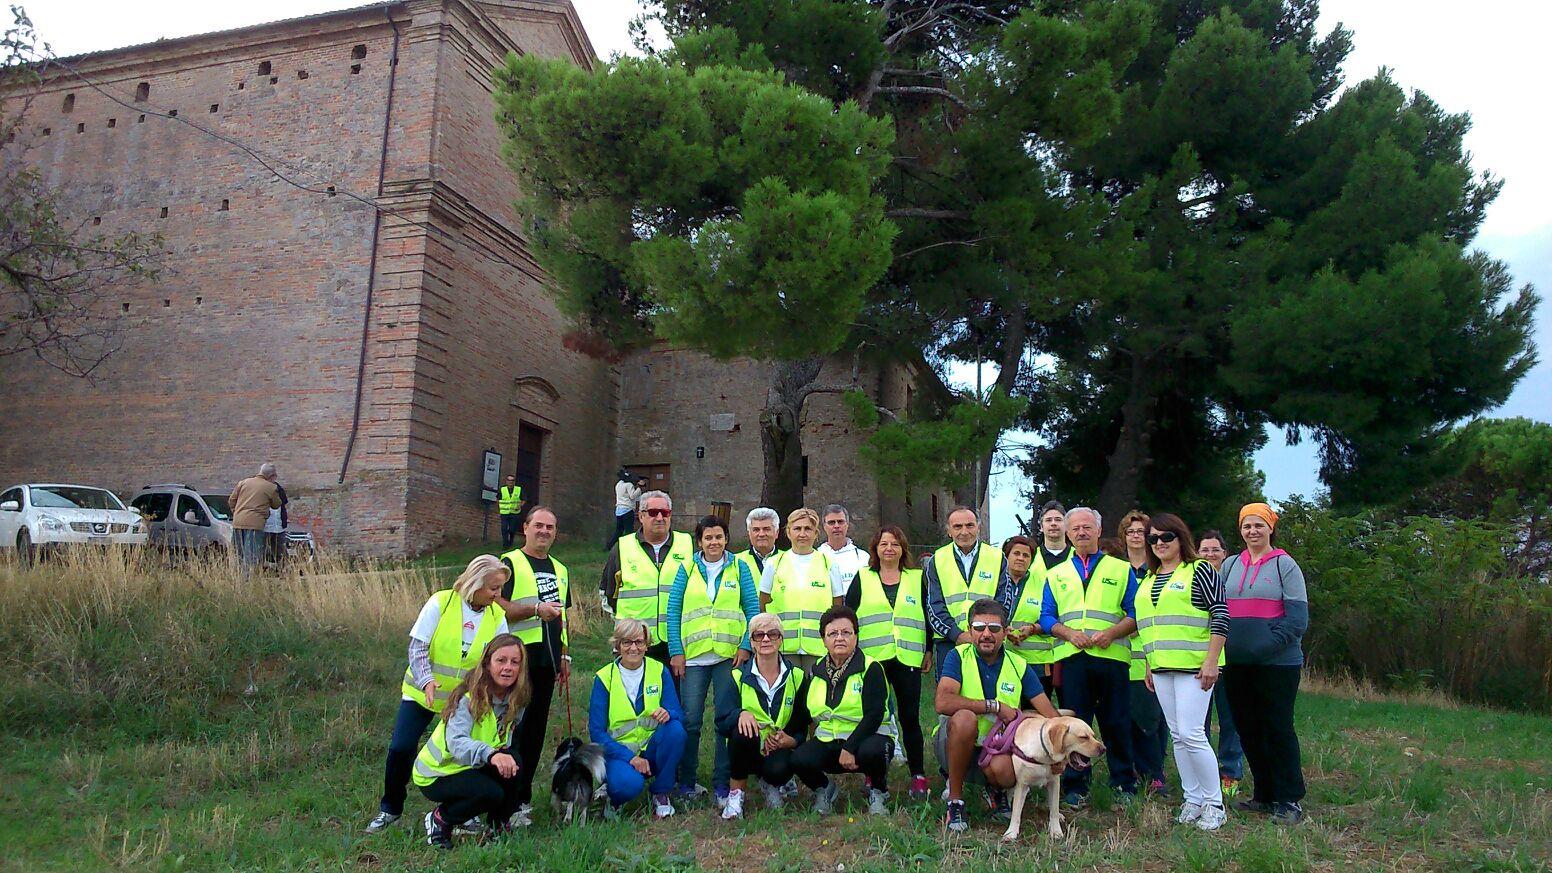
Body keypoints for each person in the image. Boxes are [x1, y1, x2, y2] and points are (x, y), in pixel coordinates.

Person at [367, 556, 511, 834]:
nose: (498, 594)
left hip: (465, 702)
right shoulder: (441, 602)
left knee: (466, 753)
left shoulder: (497, 617)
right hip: (423, 694)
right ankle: (391, 808)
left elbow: (497, 658)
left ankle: (463, 811)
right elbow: (417, 648)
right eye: (494, 588)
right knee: (401, 747)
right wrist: (427, 681)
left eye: (500, 588)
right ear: (476, 582)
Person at [1038, 506, 1140, 806]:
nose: (1081, 533)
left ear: (1098, 530)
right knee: (1074, 726)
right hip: (1073, 659)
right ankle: (1075, 786)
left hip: (1112, 658)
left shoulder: (1120, 570)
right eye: (1076, 529)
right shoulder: (1056, 574)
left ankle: (1123, 783)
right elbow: (1045, 617)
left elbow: (1135, 614)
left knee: (1117, 721)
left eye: (1087, 527)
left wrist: (1112, 633)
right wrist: (1068, 634)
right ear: (1068, 534)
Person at [1138, 513, 1230, 831]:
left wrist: (1211, 661)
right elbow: (1152, 628)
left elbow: (1220, 613)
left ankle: (1214, 803)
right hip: (1162, 669)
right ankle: (1193, 798)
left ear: (1180, 538)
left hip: (1195, 667)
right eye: (1153, 539)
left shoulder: (1199, 570)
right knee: (1177, 736)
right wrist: (1150, 664)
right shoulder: (1149, 579)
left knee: (1193, 734)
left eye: (1166, 537)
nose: (1159, 544)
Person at [936, 598, 1060, 832]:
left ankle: (996, 791)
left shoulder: (1018, 664)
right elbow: (942, 702)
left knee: (1005, 772)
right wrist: (994, 706)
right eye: (979, 627)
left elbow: (1049, 713)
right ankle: (955, 800)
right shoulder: (958, 656)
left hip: (997, 748)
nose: (986, 634)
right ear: (969, 630)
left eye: (994, 629)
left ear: (1005, 632)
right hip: (955, 745)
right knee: (964, 718)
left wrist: (1064, 745)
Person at [1220, 503, 1308, 825]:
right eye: (1247, 526)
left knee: (1277, 729)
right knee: (1248, 729)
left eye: (1259, 525)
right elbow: (1218, 611)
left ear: (1271, 528)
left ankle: (1289, 800)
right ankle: (1264, 795)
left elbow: (1298, 619)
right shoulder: (1229, 565)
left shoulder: (1286, 565)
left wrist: (1263, 648)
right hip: (1237, 665)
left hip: (1278, 665)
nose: (1252, 531)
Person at [665, 515, 760, 806]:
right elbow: (673, 610)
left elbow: (753, 608)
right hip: (693, 657)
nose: (714, 542)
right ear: (700, 541)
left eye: (719, 537)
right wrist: (676, 651)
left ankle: (722, 784)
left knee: (724, 720)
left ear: (726, 539)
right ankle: (687, 782)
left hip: (729, 656)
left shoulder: (739, 567)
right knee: (691, 721)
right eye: (708, 538)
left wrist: (746, 646)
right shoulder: (687, 568)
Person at [413, 633, 531, 848]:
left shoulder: (517, 699)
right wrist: (492, 755)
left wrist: (501, 756)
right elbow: (456, 742)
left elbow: (505, 738)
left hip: (472, 765)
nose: (508, 667)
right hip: (437, 772)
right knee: (490, 793)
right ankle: (440, 819)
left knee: (515, 764)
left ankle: (497, 828)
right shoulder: (468, 698)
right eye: (501, 660)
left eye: (515, 662)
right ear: (487, 664)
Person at [495, 506, 570, 825]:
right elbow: (499, 606)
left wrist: (564, 655)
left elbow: (562, 616)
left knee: (536, 730)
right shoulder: (509, 562)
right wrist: (534, 609)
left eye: (550, 527)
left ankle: (522, 798)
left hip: (548, 659)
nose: (543, 531)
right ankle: (503, 799)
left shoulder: (561, 569)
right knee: (512, 729)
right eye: (537, 525)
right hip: (515, 660)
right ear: (524, 527)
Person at [844, 525, 932, 799]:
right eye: (884, 544)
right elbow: (849, 616)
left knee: (910, 718)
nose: (889, 549)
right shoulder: (863, 577)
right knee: (874, 717)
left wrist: (928, 650)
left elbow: (928, 616)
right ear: (876, 549)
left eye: (895, 544)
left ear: (903, 548)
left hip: (907, 657)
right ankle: (873, 775)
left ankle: (917, 775)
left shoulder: (917, 579)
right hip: (874, 660)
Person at [789, 606, 894, 816]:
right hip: (829, 740)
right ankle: (825, 789)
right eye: (833, 634)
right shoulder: (816, 670)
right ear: (823, 639)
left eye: (846, 632)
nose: (839, 638)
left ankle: (878, 790)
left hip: (868, 739)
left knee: (874, 751)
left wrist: (850, 747)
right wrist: (787, 736)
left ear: (856, 636)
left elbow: (874, 715)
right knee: (799, 759)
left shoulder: (871, 667)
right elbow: (804, 712)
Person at [716, 612, 813, 819]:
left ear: (781, 639)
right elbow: (721, 721)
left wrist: (791, 741)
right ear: (751, 642)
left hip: (779, 748)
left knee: (778, 770)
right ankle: (736, 796)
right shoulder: (737, 676)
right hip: (749, 747)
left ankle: (772, 783)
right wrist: (740, 714)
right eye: (759, 635)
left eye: (773, 634)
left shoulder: (796, 677)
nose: (766, 639)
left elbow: (802, 723)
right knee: (741, 733)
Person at [590, 618, 688, 819]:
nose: (633, 648)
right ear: (617, 645)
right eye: (627, 642)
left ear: (647, 644)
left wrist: (669, 713)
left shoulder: (659, 670)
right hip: (620, 753)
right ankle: (612, 795)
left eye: (639, 642)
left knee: (676, 730)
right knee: (627, 786)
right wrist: (631, 759)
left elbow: (676, 711)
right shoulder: (603, 678)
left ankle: (661, 792)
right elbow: (597, 733)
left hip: (652, 748)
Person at [924, 507, 1015, 680]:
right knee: (950, 700)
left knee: (990, 697)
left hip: (989, 641)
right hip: (949, 642)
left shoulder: (997, 557)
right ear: (949, 531)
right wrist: (957, 635)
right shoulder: (937, 560)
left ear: (978, 527)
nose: (964, 532)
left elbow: (1005, 601)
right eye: (957, 526)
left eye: (970, 525)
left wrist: (985, 633)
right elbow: (933, 605)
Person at [601, 490, 693, 662]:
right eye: (653, 513)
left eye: (665, 513)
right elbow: (608, 594)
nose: (659, 518)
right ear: (641, 516)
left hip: (674, 641)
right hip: (633, 642)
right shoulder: (622, 547)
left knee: (671, 689)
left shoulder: (686, 544)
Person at [759, 508, 848, 672]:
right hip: (784, 645)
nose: (802, 534)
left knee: (816, 694)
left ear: (816, 533)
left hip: (819, 646)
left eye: (808, 529)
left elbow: (837, 605)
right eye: (797, 529)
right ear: (788, 532)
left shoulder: (828, 563)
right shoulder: (774, 563)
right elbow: (764, 603)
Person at [1119, 510, 1169, 795]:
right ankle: (1135, 772)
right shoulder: (1116, 569)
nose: (1136, 537)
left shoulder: (1158, 568)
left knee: (1153, 720)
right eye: (1131, 532)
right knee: (1128, 720)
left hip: (1154, 655)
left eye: (1142, 532)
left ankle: (1155, 773)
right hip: (1124, 656)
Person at [1197, 529, 1243, 795]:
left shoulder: (1234, 582)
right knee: (1199, 721)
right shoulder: (1191, 578)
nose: (1210, 555)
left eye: (1215, 550)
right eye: (1204, 550)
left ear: (1224, 554)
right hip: (1197, 659)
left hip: (1229, 659)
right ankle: (1202, 774)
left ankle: (1230, 773)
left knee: (1230, 719)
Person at [1002, 535, 1058, 698]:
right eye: (1016, 553)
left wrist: (1034, 629)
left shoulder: (1043, 583)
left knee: (1035, 716)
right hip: (1003, 659)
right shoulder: (995, 582)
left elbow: (1056, 618)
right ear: (1007, 556)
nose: (1021, 558)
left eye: (1026, 555)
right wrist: (1004, 630)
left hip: (1037, 664)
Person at [228, 462, 281, 569]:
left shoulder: (243, 483)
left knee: (237, 556)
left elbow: (231, 500)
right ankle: (248, 582)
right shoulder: (270, 487)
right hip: (255, 525)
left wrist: (237, 512)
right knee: (251, 557)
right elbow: (276, 504)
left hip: (238, 522)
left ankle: (235, 580)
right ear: (272, 476)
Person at [818, 503, 867, 593]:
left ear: (847, 524)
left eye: (840, 522)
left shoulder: (863, 557)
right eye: (831, 522)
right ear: (824, 526)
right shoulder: (817, 556)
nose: (836, 526)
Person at [735, 506, 782, 578]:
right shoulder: (735, 561)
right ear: (749, 534)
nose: (761, 534)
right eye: (756, 530)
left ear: (776, 533)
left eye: (766, 529)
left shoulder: (789, 560)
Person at [609, 472, 643, 548]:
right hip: (627, 509)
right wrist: (639, 488)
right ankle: (630, 547)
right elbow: (632, 496)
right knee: (629, 530)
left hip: (619, 510)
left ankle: (609, 546)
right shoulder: (629, 485)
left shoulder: (618, 484)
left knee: (618, 531)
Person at [263, 481, 289, 565]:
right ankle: (259, 571)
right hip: (264, 526)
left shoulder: (278, 489)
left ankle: (284, 571)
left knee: (281, 552)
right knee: (260, 551)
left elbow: (284, 502)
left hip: (278, 526)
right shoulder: (261, 490)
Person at [499, 475, 524, 551]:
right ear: (506, 482)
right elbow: (498, 498)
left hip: (514, 513)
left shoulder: (518, 490)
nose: (510, 482)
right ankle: (505, 545)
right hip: (504, 513)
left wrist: (519, 506)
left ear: (514, 482)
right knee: (504, 529)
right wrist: (500, 507)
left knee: (512, 529)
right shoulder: (502, 490)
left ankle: (511, 541)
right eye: (509, 480)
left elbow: (524, 499)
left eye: (512, 480)